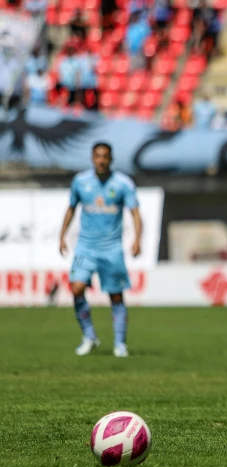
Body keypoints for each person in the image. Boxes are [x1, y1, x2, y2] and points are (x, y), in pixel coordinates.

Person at [59, 143, 143, 358]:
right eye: (98, 156)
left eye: (105, 156)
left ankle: (120, 344)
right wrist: (62, 236)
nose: (101, 160)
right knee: (76, 288)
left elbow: (134, 213)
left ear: (111, 159)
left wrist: (137, 239)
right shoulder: (81, 181)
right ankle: (89, 336)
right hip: (85, 247)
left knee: (115, 296)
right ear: (92, 158)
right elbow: (71, 209)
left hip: (111, 249)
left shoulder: (123, 184)